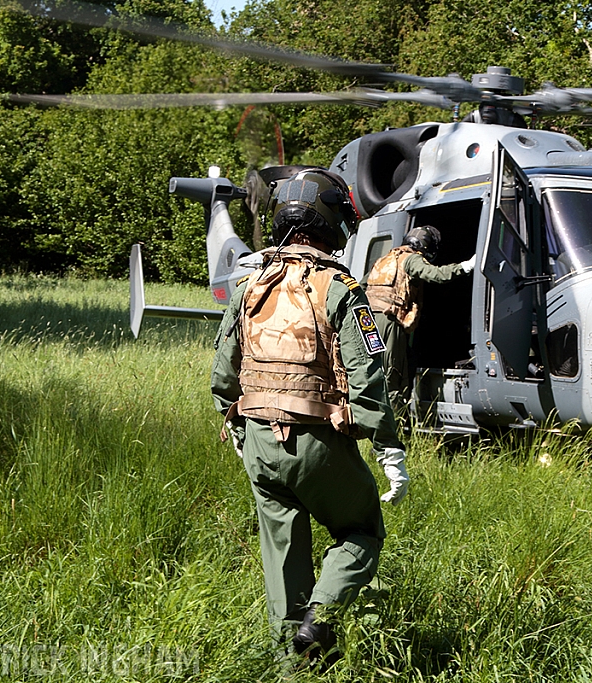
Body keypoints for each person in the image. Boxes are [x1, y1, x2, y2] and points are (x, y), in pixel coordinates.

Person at [210, 167, 407, 669]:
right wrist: (389, 448)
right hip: (317, 441)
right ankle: (320, 618)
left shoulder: (249, 286)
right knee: (362, 529)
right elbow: (367, 373)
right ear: (330, 222)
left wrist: (233, 423)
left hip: (258, 439)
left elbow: (224, 369)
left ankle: (295, 661)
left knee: (282, 551)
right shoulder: (339, 288)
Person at [365, 225, 475, 420]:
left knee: (384, 370)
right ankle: (392, 434)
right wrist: (466, 266)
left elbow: (361, 285)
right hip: (390, 321)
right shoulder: (411, 259)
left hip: (370, 322)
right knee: (394, 377)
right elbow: (436, 274)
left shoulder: (383, 260)